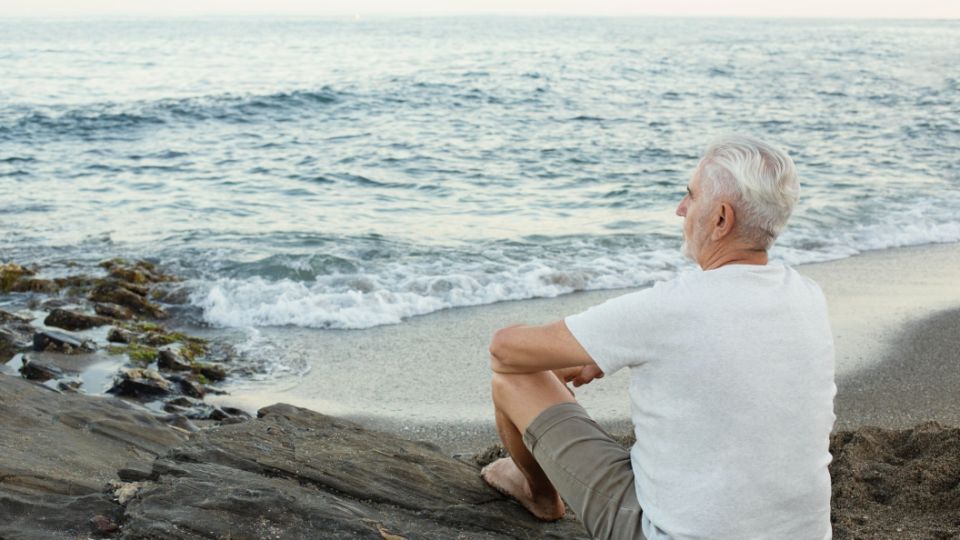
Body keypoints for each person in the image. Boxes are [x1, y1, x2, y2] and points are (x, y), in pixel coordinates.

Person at [481, 134, 836, 540]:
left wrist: (592, 348)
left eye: (691, 196)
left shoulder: (669, 307)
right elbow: (727, 347)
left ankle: (540, 495)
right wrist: (605, 349)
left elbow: (504, 351)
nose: (680, 208)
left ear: (721, 219)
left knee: (515, 377)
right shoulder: (808, 297)